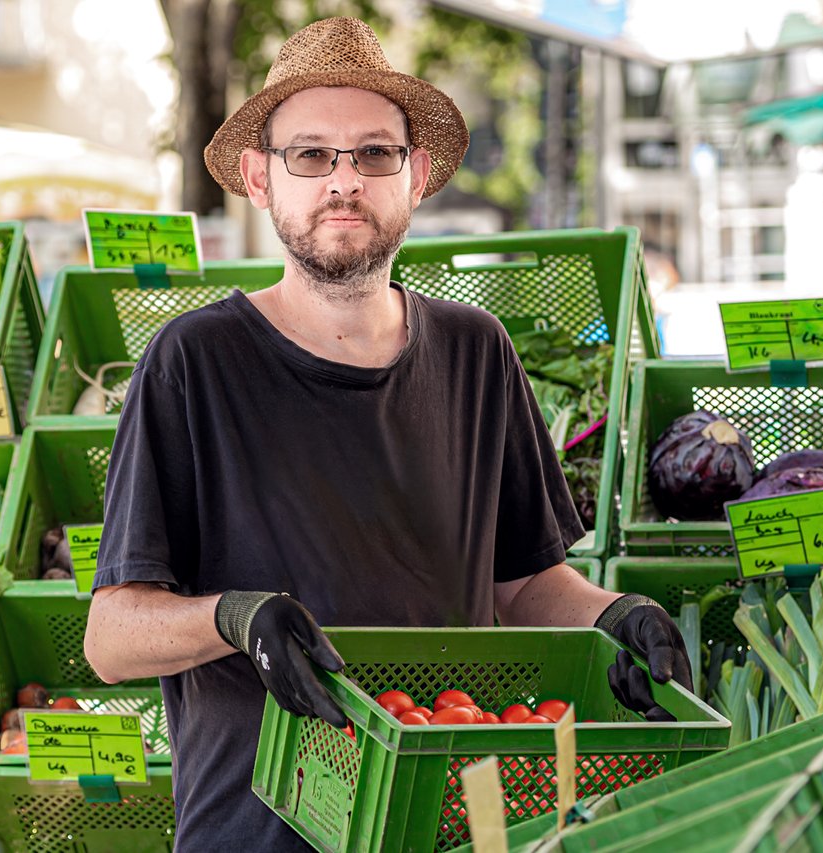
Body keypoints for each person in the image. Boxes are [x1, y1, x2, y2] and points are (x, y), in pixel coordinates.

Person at [84, 17, 691, 850]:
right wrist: (234, 618)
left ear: (419, 176)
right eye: (311, 154)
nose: (344, 181)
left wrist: (615, 612)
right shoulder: (193, 361)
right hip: (258, 830)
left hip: (451, 820)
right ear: (260, 179)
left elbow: (522, 587)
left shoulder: (477, 351)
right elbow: (112, 639)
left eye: (373, 154)